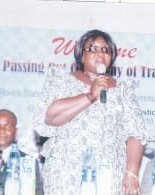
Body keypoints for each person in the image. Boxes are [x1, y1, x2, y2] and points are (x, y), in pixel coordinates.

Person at [33, 29, 149, 195]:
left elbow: (136, 134)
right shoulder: (62, 80)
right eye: (94, 49)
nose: (101, 54)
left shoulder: (123, 89)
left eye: (106, 50)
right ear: (81, 55)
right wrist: (89, 96)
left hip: (109, 175)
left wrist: (131, 174)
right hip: (66, 173)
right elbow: (50, 117)